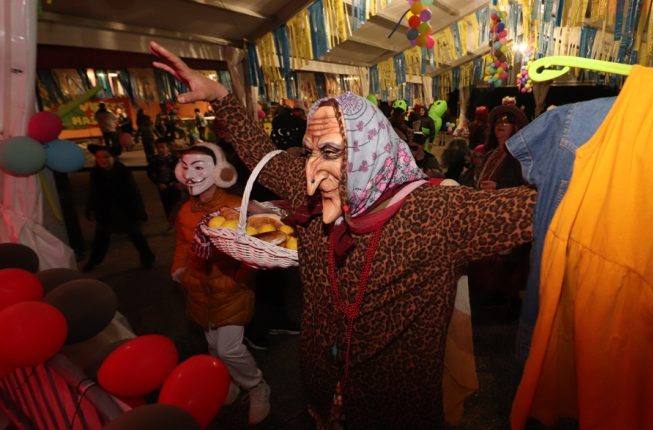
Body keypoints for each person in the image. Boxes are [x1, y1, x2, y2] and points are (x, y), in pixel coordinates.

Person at [151, 41, 535, 429]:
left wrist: (571, 137)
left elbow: (543, 208)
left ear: (370, 150)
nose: (310, 173)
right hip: (320, 379)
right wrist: (220, 96)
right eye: (309, 152)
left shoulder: (437, 213)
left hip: (395, 402)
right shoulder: (307, 188)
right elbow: (263, 157)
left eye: (330, 152)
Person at [171, 142, 270, 425]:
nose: (190, 174)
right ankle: (232, 382)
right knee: (214, 347)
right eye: (185, 167)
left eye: (198, 167)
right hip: (198, 290)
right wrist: (179, 269)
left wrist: (240, 279)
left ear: (220, 171)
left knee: (229, 349)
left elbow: (256, 247)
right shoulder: (185, 210)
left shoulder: (236, 206)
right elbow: (182, 243)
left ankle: (256, 386)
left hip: (230, 291)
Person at [471, 105, 532, 321]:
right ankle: (498, 292)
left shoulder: (520, 156)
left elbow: (526, 185)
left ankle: (514, 301)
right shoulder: (490, 153)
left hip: (511, 216)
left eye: (506, 123)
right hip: (492, 213)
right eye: (498, 122)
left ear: (515, 128)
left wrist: (498, 186)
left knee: (512, 260)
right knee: (495, 256)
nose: (500, 126)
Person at [83, 144, 155, 272]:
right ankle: (94, 261)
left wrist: (139, 211)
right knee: (101, 238)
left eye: (106, 157)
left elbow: (133, 192)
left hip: (125, 210)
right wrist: (90, 208)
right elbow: (93, 192)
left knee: (136, 235)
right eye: (98, 157)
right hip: (105, 211)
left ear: (114, 158)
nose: (101, 160)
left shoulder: (123, 172)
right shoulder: (95, 173)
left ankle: (147, 258)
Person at [146, 137, 184, 229]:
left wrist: (179, 182)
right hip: (163, 187)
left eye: (163, 147)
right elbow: (150, 173)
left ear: (168, 148)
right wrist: (158, 183)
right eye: (158, 148)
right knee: (167, 205)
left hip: (175, 185)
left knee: (178, 204)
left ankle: (180, 222)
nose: (160, 150)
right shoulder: (154, 160)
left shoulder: (175, 159)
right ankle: (171, 223)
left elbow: (181, 171)